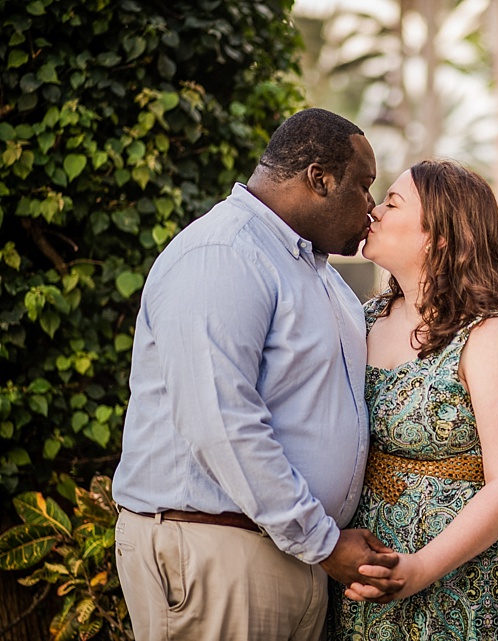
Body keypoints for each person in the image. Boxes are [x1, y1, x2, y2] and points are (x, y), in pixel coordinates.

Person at [112, 108, 403, 641]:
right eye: (364, 186)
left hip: (293, 553)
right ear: (319, 178)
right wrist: (323, 541)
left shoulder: (321, 277)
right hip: (216, 551)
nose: (370, 207)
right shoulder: (224, 253)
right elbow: (220, 422)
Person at [329, 159, 498, 640]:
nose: (374, 210)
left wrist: (421, 568)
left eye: (393, 201)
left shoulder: (491, 336)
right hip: (365, 574)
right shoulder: (360, 319)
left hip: (465, 580)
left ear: (441, 236)